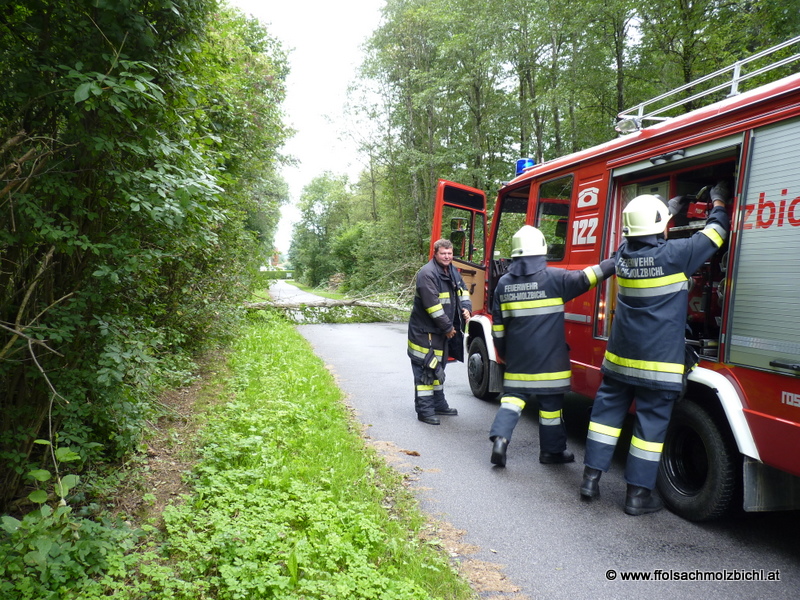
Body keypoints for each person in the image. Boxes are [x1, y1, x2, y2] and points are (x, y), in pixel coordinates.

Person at [580, 182, 731, 515]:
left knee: (604, 420)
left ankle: (590, 480)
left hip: (619, 361)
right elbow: (717, 232)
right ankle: (637, 497)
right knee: (648, 429)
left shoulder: (622, 254)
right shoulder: (676, 254)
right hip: (658, 364)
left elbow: (640, 234)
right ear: (660, 226)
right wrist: (719, 199)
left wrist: (668, 210)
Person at [489, 226, 615, 466]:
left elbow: (498, 327)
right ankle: (551, 452)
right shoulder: (555, 278)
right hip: (551, 362)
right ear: (541, 250)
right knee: (551, 409)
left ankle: (500, 441)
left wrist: (505, 353)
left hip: (518, 360)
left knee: (512, 400)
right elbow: (589, 276)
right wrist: (619, 258)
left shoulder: (503, 284)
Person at [407, 238, 472, 425]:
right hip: (424, 333)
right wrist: (448, 328)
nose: (447, 257)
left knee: (438, 368)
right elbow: (433, 307)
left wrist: (467, 308)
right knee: (426, 370)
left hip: (439, 332)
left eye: (450, 253)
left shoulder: (452, 270)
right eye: (443, 253)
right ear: (435, 254)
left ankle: (438, 404)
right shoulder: (427, 274)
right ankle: (425, 411)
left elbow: (463, 290)